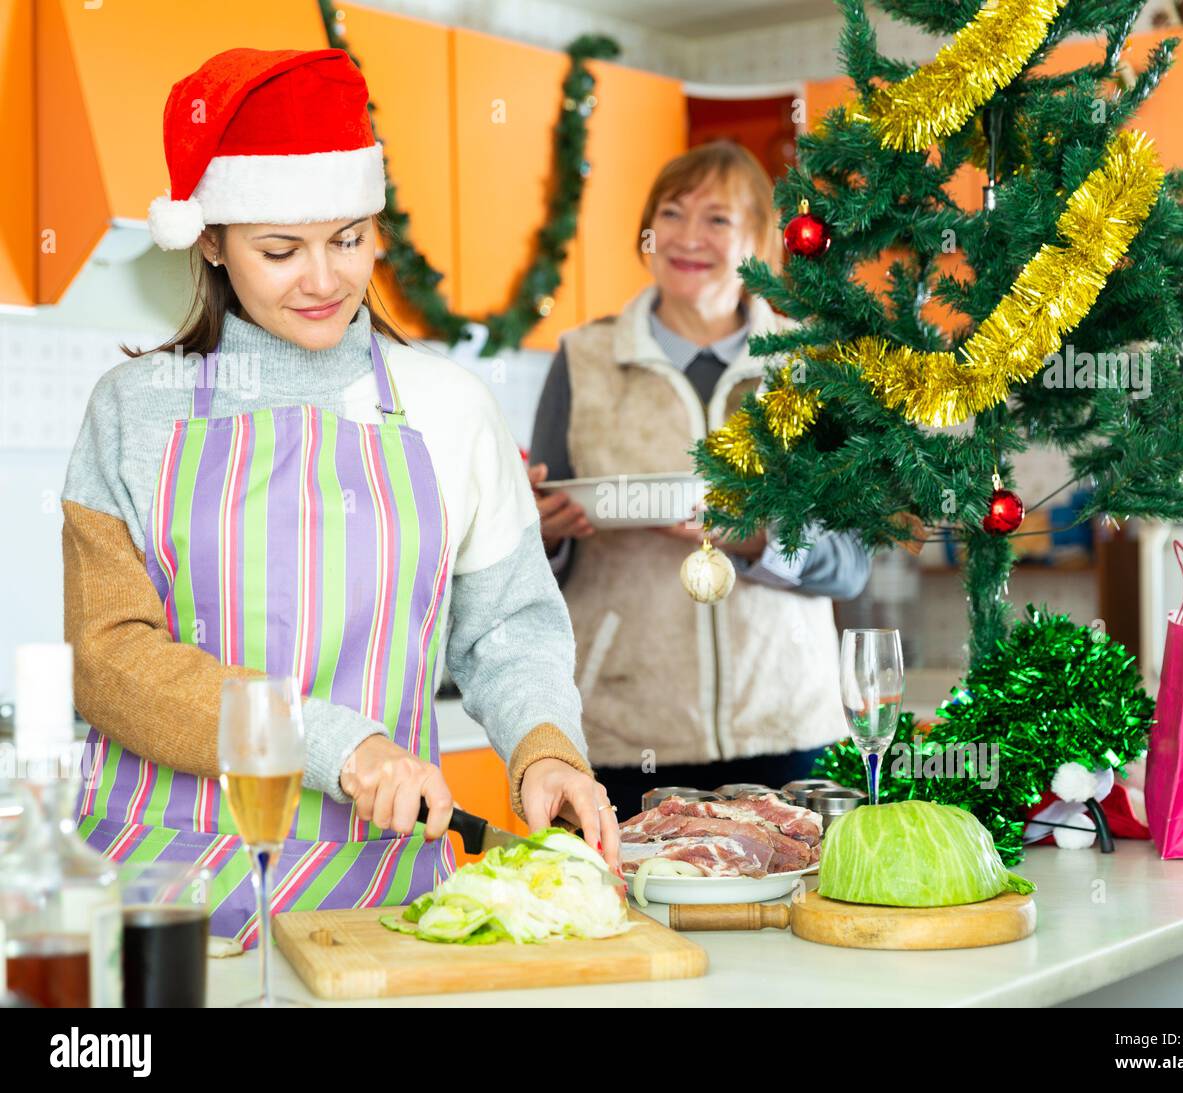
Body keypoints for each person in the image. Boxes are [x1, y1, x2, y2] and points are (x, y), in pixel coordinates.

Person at [62, 47, 617, 948]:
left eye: (349, 239)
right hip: (163, 898)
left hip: (384, 911)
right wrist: (334, 742)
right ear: (211, 239)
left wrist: (543, 748)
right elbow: (110, 660)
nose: (323, 279)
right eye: (281, 250)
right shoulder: (134, 412)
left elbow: (508, 628)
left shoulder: (449, 408)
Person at [528, 141, 871, 820]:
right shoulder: (584, 358)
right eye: (672, 214)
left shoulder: (806, 365)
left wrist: (755, 539)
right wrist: (544, 534)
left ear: (758, 240)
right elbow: (528, 559)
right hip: (624, 728)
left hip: (789, 725)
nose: (688, 237)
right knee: (630, 921)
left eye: (717, 219)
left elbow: (852, 563)